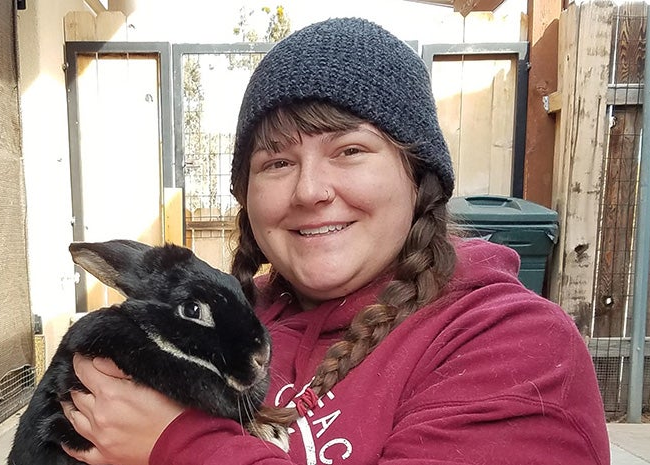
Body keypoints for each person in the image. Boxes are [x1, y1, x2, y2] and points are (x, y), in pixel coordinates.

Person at [62, 17, 611, 465]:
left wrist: (179, 444)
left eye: (349, 150)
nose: (309, 190)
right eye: (276, 162)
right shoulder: (230, 325)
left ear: (417, 177)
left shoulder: (516, 348)